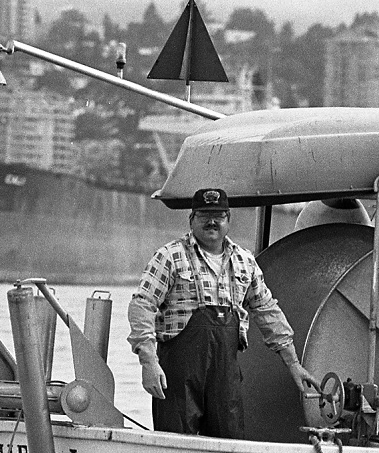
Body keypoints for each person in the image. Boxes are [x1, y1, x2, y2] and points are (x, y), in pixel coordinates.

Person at [127, 187, 319, 438]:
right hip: (178, 375)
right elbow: (142, 304)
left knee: (228, 444)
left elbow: (266, 310)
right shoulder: (170, 256)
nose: (212, 221)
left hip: (225, 376)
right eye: (204, 215)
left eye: (218, 215)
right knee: (174, 446)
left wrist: (293, 364)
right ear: (192, 219)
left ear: (228, 219)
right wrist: (149, 362)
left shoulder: (245, 260)